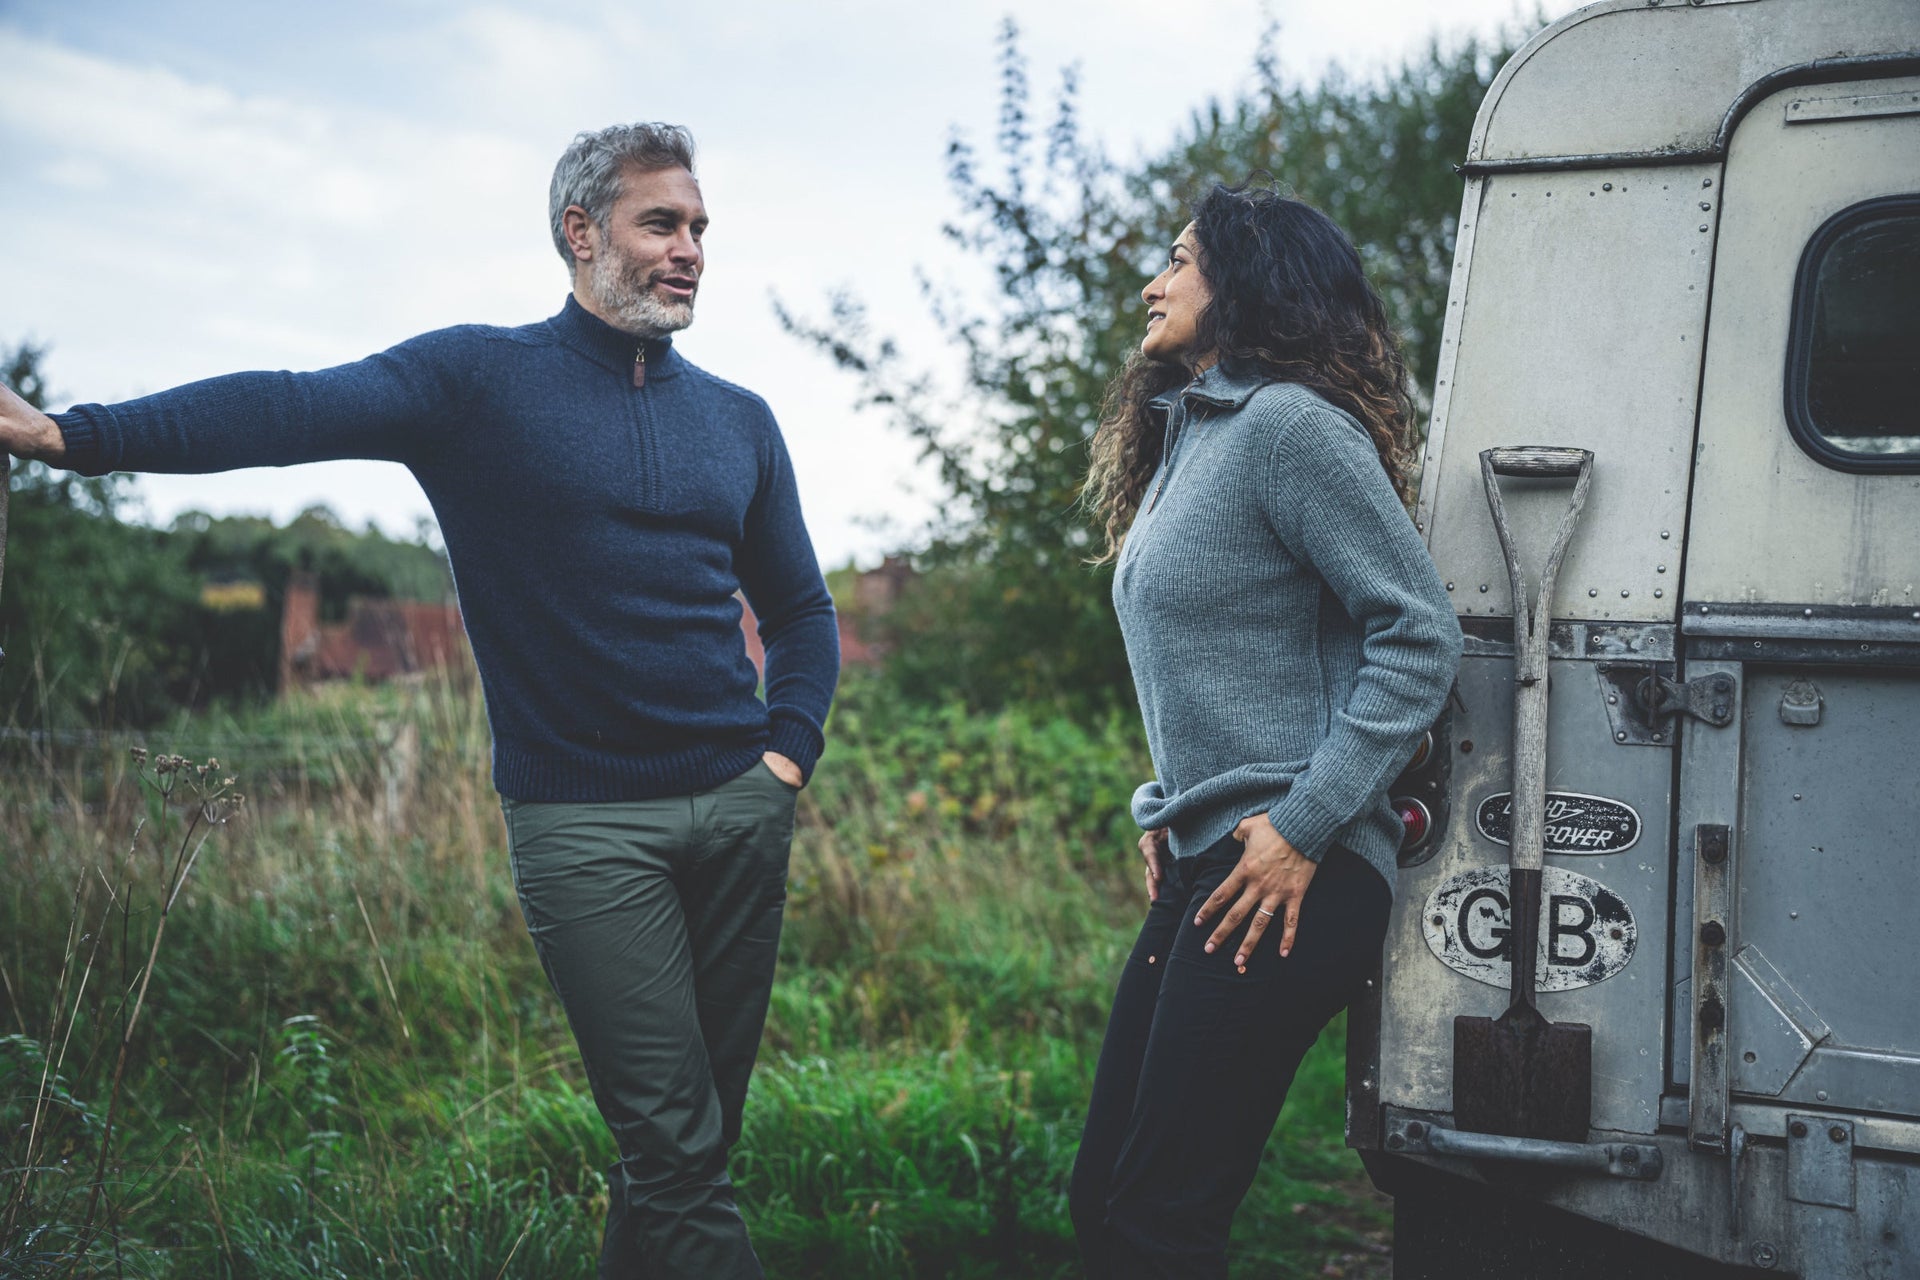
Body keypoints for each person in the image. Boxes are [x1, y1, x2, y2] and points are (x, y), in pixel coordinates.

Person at [0, 123, 836, 1280]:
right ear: (579, 233)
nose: (690, 248)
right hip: (587, 832)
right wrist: (69, 435)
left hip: (739, 815)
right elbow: (289, 408)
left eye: (699, 227)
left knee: (682, 1152)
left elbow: (802, 612)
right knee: (683, 1155)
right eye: (662, 223)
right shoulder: (475, 381)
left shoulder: (740, 419)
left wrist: (783, 762)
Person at [1069, 183, 1463, 1277]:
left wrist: (1302, 821)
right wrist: (1168, 804)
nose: (1155, 281)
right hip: (1215, 856)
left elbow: (1420, 634)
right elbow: (1226, 666)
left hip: (1301, 866)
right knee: (1104, 1198)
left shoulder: (1290, 426)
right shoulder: (1188, 439)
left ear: (1246, 284)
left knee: (1156, 1220)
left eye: (1182, 261)